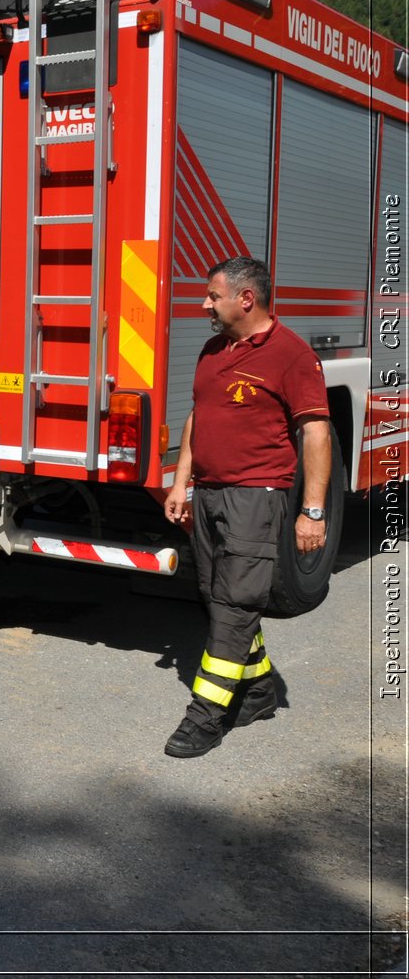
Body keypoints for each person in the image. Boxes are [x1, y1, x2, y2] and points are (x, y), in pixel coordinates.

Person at [161, 256, 330, 758]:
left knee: (236, 606)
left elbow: (316, 433)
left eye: (213, 295)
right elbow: (199, 417)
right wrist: (181, 482)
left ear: (246, 299)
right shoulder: (214, 350)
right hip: (209, 493)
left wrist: (312, 511)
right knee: (218, 598)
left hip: (256, 498)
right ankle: (257, 693)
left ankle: (205, 715)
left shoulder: (291, 355)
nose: (205, 303)